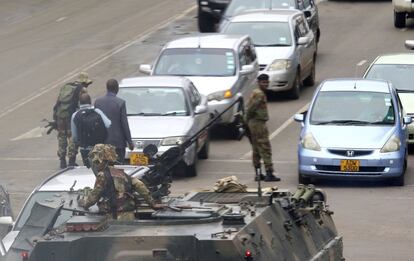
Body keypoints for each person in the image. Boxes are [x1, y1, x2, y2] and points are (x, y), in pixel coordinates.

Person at [77, 144, 161, 221]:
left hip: (114, 217)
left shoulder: (102, 175)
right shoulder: (120, 173)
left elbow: (94, 196)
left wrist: (84, 203)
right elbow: (139, 184)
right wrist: (152, 203)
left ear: (99, 159)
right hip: (129, 215)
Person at [245, 74, 281, 182]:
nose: (265, 84)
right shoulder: (259, 94)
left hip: (254, 123)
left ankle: (258, 173)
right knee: (265, 147)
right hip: (258, 123)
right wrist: (247, 121)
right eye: (263, 82)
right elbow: (250, 109)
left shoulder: (256, 93)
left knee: (256, 148)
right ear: (258, 83)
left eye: (267, 82)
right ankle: (269, 173)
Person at [53, 72, 92, 169]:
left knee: (61, 137)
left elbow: (58, 102)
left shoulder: (66, 87)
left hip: (60, 117)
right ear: (84, 82)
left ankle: (62, 161)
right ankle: (71, 161)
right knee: (72, 138)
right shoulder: (82, 90)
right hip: (71, 117)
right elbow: (82, 105)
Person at [94, 79, 134, 163]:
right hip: (118, 143)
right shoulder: (120, 103)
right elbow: (124, 123)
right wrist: (129, 142)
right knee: (118, 168)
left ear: (107, 88)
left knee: (105, 167)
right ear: (117, 88)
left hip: (102, 143)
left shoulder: (97, 102)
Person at [71, 93, 111, 168]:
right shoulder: (97, 111)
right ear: (90, 101)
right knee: (100, 170)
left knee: (88, 170)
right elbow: (108, 124)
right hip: (99, 148)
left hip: (84, 148)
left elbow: (74, 137)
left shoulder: (75, 115)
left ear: (79, 103)